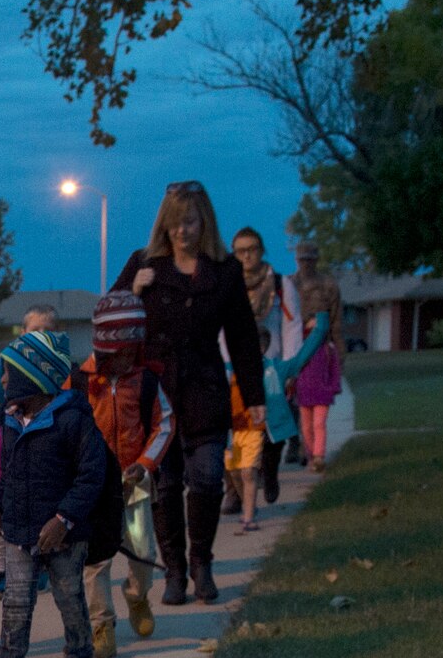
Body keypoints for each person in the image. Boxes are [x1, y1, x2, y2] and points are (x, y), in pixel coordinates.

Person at [111, 181, 265, 606]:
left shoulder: (225, 270)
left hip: (205, 389)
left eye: (190, 222)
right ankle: (174, 571)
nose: (182, 231)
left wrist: (254, 398)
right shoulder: (143, 264)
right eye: (175, 223)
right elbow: (109, 323)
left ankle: (202, 563)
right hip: (156, 394)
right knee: (166, 484)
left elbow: (243, 338)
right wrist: (132, 291)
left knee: (208, 477)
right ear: (165, 224)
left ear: (204, 222)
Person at [0, 330, 120, 658]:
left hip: (65, 535)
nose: (3, 381)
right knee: (16, 601)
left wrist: (64, 520)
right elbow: (8, 472)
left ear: (34, 377)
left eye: (9, 373)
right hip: (19, 530)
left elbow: (92, 476)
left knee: (70, 599)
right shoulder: (13, 422)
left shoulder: (73, 420)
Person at [70, 292, 172, 658]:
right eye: (121, 350)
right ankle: (102, 625)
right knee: (96, 562)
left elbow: (165, 423)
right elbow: (66, 430)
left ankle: (137, 594)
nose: (128, 357)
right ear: (105, 347)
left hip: (134, 488)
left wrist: (144, 464)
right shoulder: (79, 384)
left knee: (143, 553)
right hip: (94, 490)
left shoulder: (146, 382)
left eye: (134, 349)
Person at [225, 312, 333, 532]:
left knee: (263, 464)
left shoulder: (276, 369)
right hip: (242, 429)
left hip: (272, 430)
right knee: (237, 471)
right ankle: (248, 500)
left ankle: (266, 484)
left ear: (265, 347)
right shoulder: (232, 370)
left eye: (259, 345)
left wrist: (320, 324)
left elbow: (303, 356)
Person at [0, 303, 58, 600]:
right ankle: (0, 572)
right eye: (34, 330)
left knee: (40, 511)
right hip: (9, 451)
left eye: (48, 330)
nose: (41, 336)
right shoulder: (7, 363)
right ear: (22, 333)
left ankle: (40, 568)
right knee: (1, 509)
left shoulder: (60, 369)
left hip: (44, 453)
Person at [226, 227, 301, 507]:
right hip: (236, 367)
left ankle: (270, 472)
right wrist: (226, 367)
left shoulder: (280, 284)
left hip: (272, 364)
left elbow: (292, 326)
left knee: (272, 428)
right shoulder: (228, 284)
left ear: (262, 250)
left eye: (253, 249)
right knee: (236, 430)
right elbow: (222, 330)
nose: (247, 255)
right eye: (241, 250)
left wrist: (288, 368)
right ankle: (235, 492)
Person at [290, 243, 345, 472]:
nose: (306, 263)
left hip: (321, 351)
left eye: (310, 258)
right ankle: (297, 445)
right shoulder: (290, 285)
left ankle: (311, 451)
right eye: (303, 259)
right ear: (296, 260)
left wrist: (339, 354)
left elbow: (336, 322)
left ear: (317, 259)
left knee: (315, 413)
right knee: (294, 403)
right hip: (295, 349)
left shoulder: (328, 286)